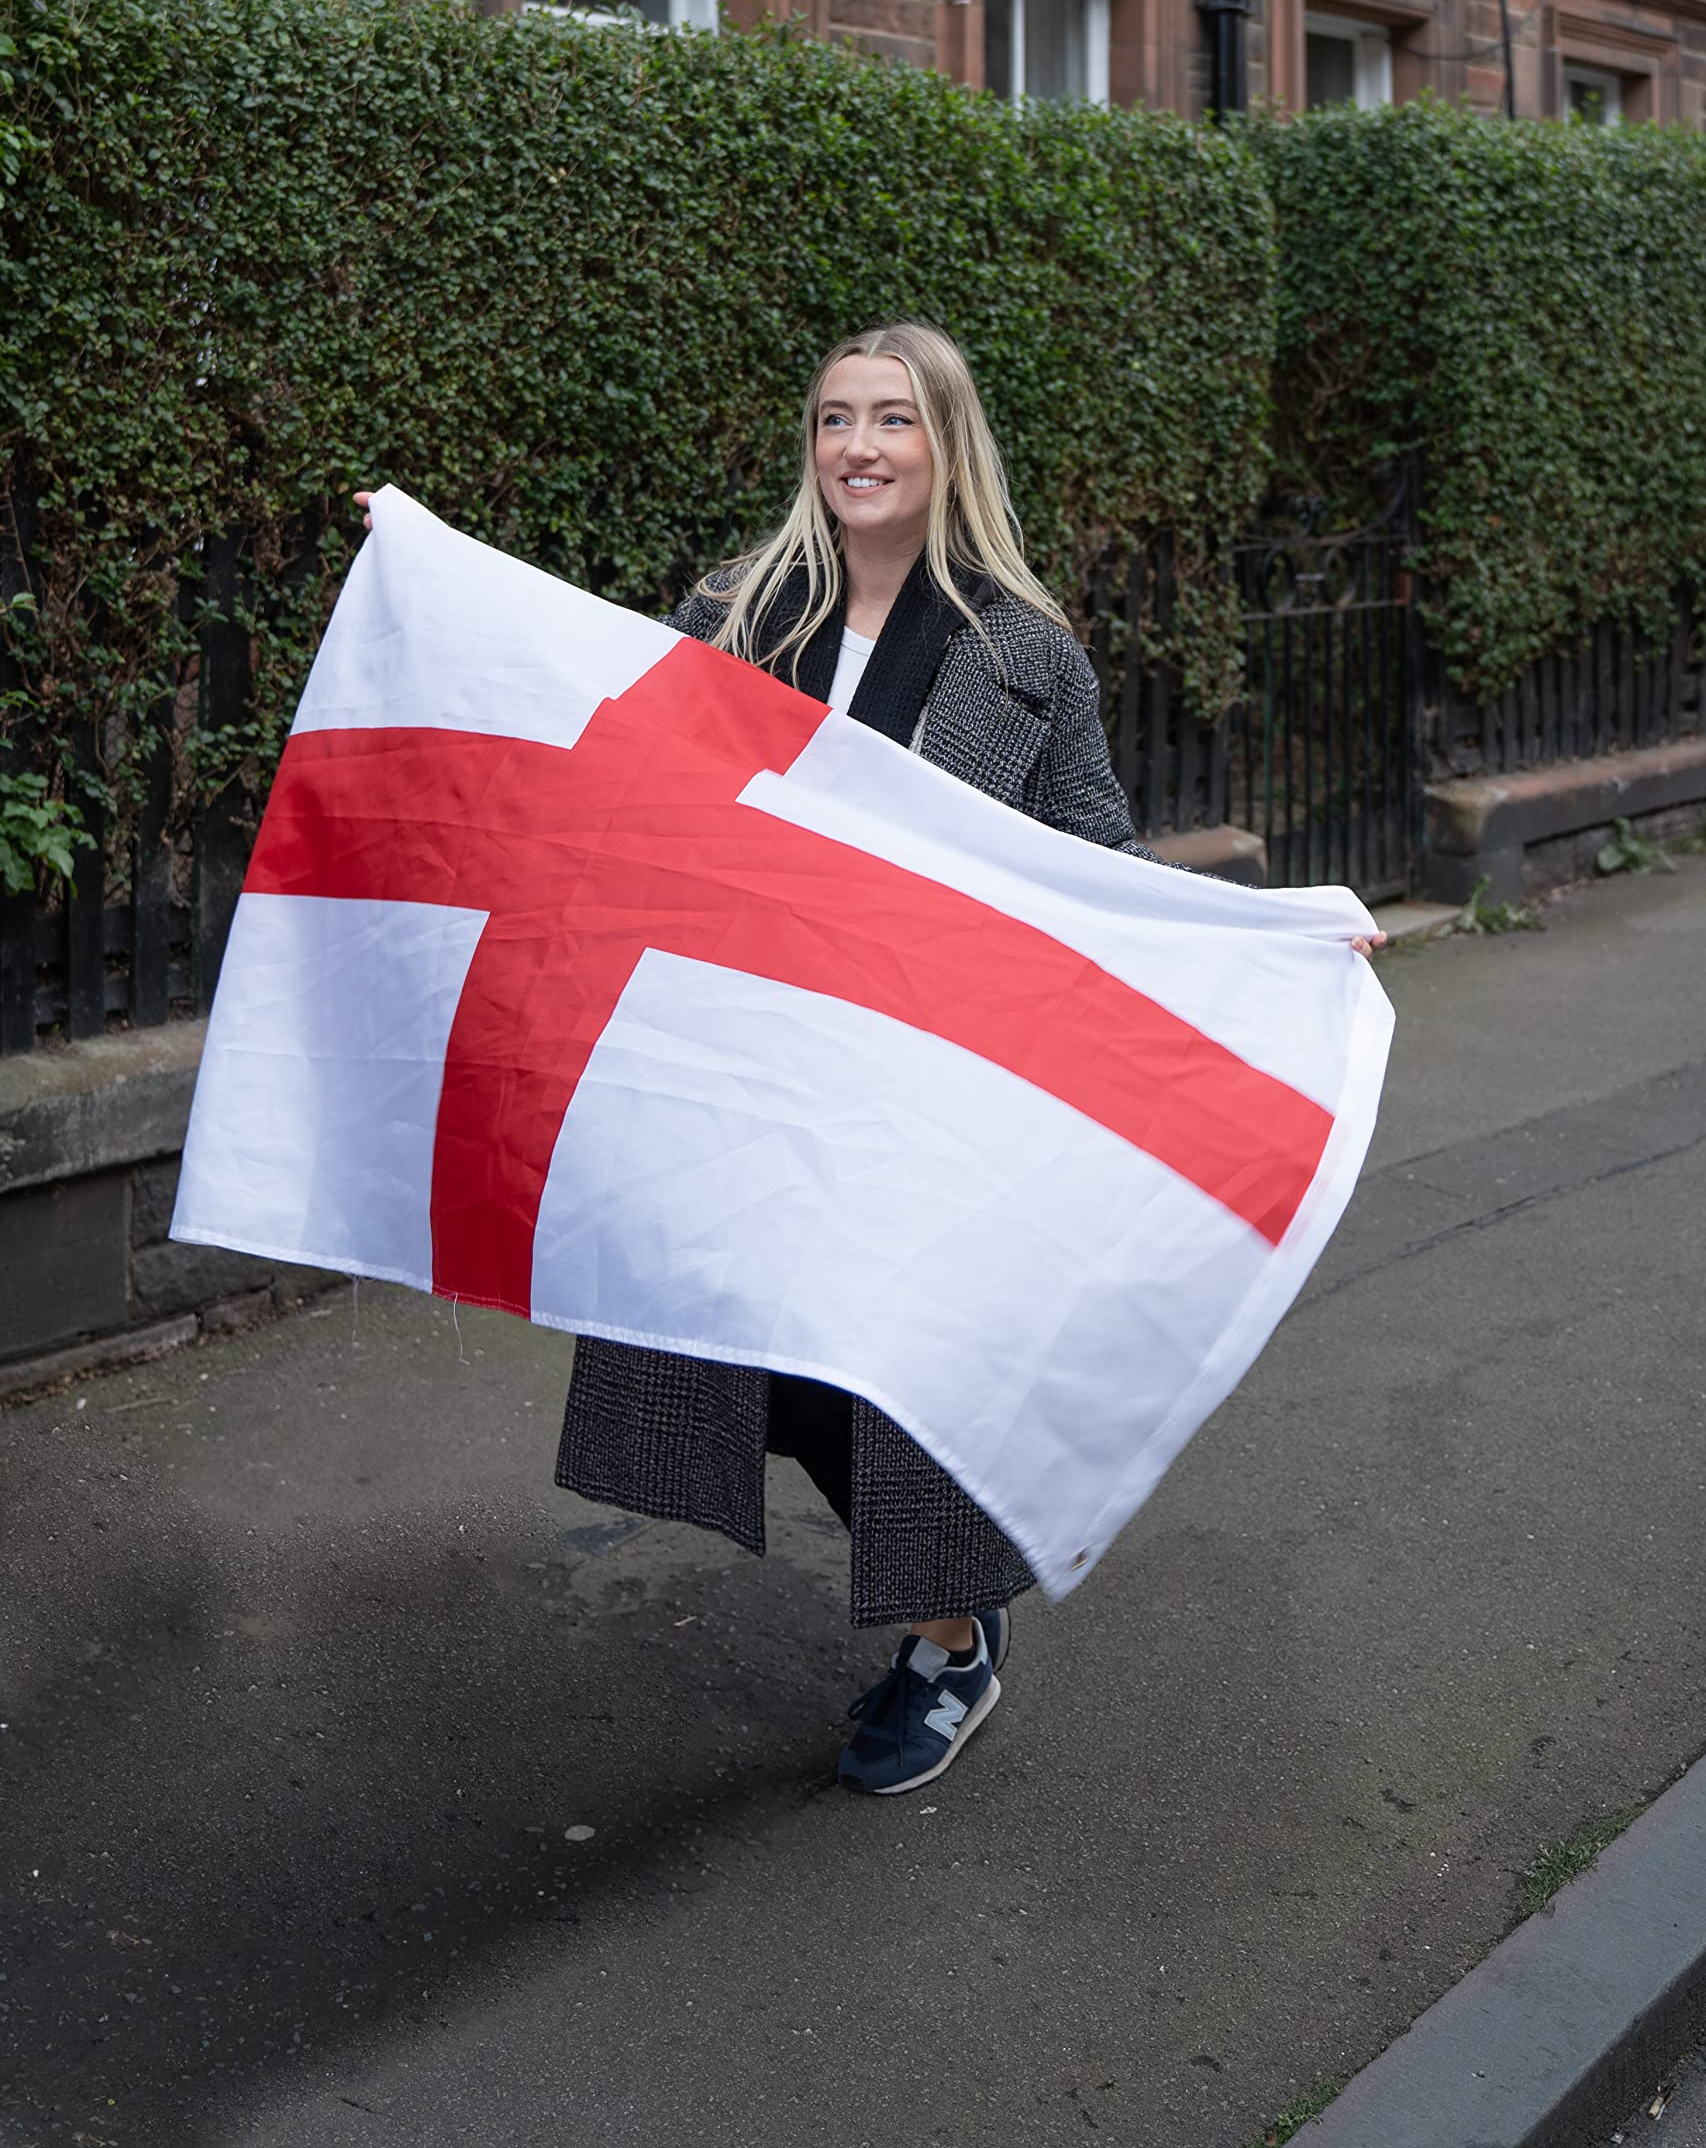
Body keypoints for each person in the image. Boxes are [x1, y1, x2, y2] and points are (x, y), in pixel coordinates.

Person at [355, 319, 1383, 1798]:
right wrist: (423, 561)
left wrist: (1258, 942)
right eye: (834, 419)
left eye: (889, 420)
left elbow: (1095, 856)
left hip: (915, 1077)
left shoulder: (1024, 655)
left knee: (885, 1377)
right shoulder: (732, 610)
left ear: (941, 442)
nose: (857, 448)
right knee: (755, 1364)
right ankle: (961, 1587)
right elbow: (598, 749)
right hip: (747, 1060)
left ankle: (948, 1638)